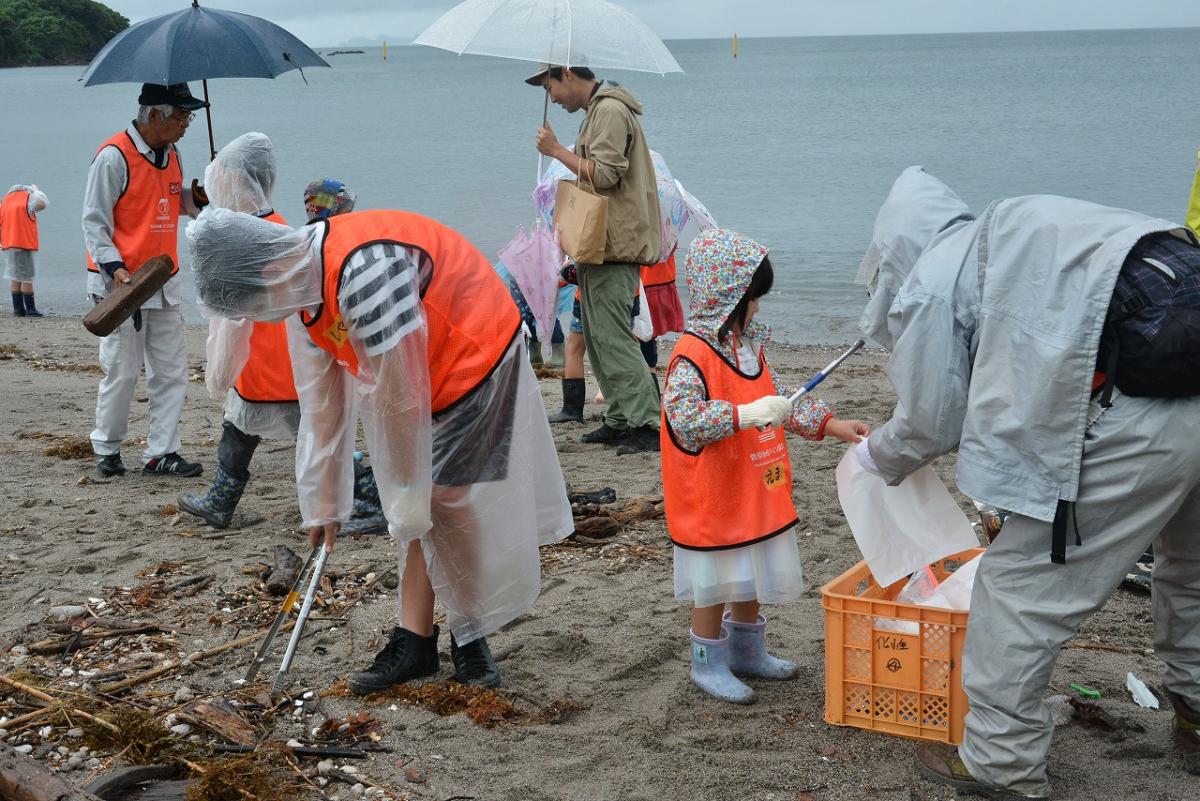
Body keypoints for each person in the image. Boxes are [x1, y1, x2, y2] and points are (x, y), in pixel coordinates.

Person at [854, 166, 1200, 798]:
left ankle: (1001, 766)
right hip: (1186, 371)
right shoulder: (1019, 226)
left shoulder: (936, 276)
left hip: (1142, 413)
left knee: (1016, 592)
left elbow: (932, 418)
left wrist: (876, 457)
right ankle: (1197, 715)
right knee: (1195, 567)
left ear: (898, 242)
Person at [187, 190, 573, 692]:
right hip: (419, 370)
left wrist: (406, 487)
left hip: (476, 352)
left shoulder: (362, 272)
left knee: (446, 500)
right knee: (419, 506)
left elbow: (401, 394)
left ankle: (469, 637)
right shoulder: (303, 295)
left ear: (266, 274)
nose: (256, 319)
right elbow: (323, 407)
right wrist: (324, 505)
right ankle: (416, 641)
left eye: (249, 308)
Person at [660, 229, 868, 704]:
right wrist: (743, 416)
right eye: (753, 298)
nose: (757, 308)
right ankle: (707, 663)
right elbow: (684, 420)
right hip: (713, 491)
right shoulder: (690, 354)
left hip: (755, 482)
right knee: (714, 578)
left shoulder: (748, 346)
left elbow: (781, 400)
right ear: (728, 296)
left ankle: (747, 650)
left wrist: (833, 425)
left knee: (750, 568)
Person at [530, 61, 663, 454]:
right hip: (600, 245)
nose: (551, 97)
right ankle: (621, 418)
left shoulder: (608, 111)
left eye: (549, 86)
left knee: (613, 338)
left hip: (615, 246)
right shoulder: (597, 112)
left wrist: (556, 151)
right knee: (600, 338)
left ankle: (647, 423)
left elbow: (604, 175)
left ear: (567, 74)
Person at [83, 83, 209, 478]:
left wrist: (201, 196)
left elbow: (175, 203)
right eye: (182, 115)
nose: (187, 123)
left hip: (162, 277)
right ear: (154, 115)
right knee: (122, 368)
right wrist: (113, 267)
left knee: (171, 370)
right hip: (122, 283)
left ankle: (161, 452)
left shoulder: (173, 154)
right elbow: (94, 220)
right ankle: (107, 447)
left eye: (190, 116)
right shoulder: (113, 156)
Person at [1, 184, 49, 317]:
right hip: (23, 243)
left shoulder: (5, 201)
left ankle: (18, 309)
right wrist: (36, 190)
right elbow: (43, 204)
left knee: (14, 276)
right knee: (26, 277)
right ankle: (30, 309)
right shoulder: (27, 198)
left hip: (9, 244)